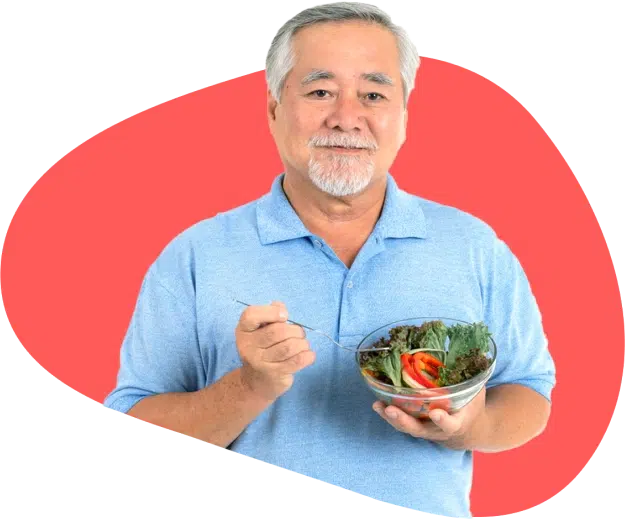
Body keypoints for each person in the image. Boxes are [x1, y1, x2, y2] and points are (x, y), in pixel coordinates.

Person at [102, 2, 556, 518]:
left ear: (403, 114)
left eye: (374, 94)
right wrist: (248, 386)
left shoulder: (474, 246)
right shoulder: (195, 256)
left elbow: (529, 392)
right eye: (320, 91)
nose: (346, 117)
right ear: (274, 108)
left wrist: (469, 428)